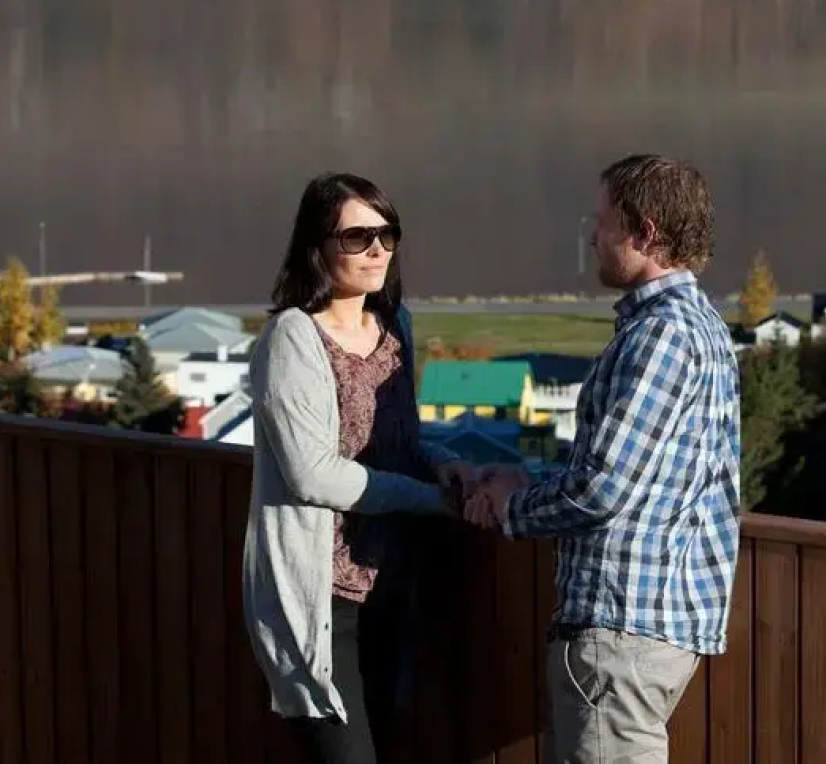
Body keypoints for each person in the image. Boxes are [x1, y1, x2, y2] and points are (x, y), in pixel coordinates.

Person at [465, 154, 742, 764]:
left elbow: (603, 489)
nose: (593, 236)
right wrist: (531, 480)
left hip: (622, 631)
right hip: (648, 628)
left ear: (643, 232)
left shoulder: (663, 334)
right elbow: (635, 472)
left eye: (602, 222)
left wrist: (512, 506)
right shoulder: (703, 326)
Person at [242, 172, 473, 764]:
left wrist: (447, 465)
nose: (377, 250)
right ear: (316, 245)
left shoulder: (397, 324)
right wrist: (429, 500)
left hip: (395, 586)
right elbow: (312, 474)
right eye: (356, 237)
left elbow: (402, 440)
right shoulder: (292, 338)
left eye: (387, 234)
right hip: (324, 602)